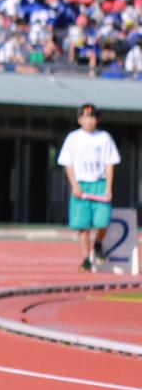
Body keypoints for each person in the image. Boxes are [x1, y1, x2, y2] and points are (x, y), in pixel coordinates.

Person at [58, 103, 120, 272]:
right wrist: (74, 185)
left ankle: (98, 243)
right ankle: (86, 258)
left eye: (92, 117)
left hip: (99, 183)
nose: (89, 121)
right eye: (85, 117)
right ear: (79, 120)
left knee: (103, 219)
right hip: (81, 184)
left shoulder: (104, 138)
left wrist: (108, 187)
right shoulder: (73, 138)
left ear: (97, 119)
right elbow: (67, 164)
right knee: (82, 224)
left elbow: (110, 163)